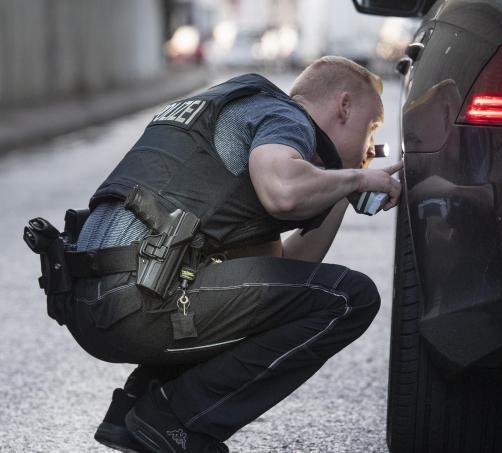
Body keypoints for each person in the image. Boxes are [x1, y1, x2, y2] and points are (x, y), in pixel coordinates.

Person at [61, 56, 401, 452]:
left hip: (94, 305)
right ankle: (177, 419)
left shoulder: (237, 114)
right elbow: (283, 192)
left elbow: (285, 276)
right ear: (344, 106)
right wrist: (358, 176)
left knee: (275, 296)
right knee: (350, 298)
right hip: (134, 300)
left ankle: (136, 405)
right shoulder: (286, 118)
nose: (369, 148)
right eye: (371, 127)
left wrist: (343, 188)